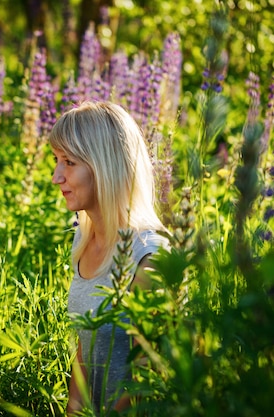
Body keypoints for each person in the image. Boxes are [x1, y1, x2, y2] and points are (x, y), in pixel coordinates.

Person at [49, 101, 168, 415]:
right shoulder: (84, 238)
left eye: (69, 162)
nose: (56, 176)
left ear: (104, 164)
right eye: (56, 160)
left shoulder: (149, 257)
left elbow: (145, 377)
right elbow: (84, 350)